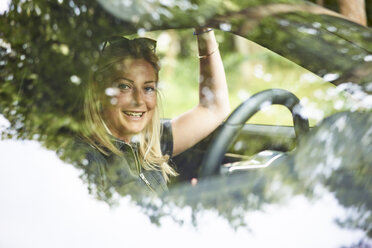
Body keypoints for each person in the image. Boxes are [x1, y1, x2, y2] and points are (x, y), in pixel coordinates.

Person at [78, 27, 230, 199]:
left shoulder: (150, 142)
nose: (139, 100)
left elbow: (215, 107)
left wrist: (205, 31)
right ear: (99, 91)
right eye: (124, 86)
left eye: (148, 88)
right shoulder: (87, 158)